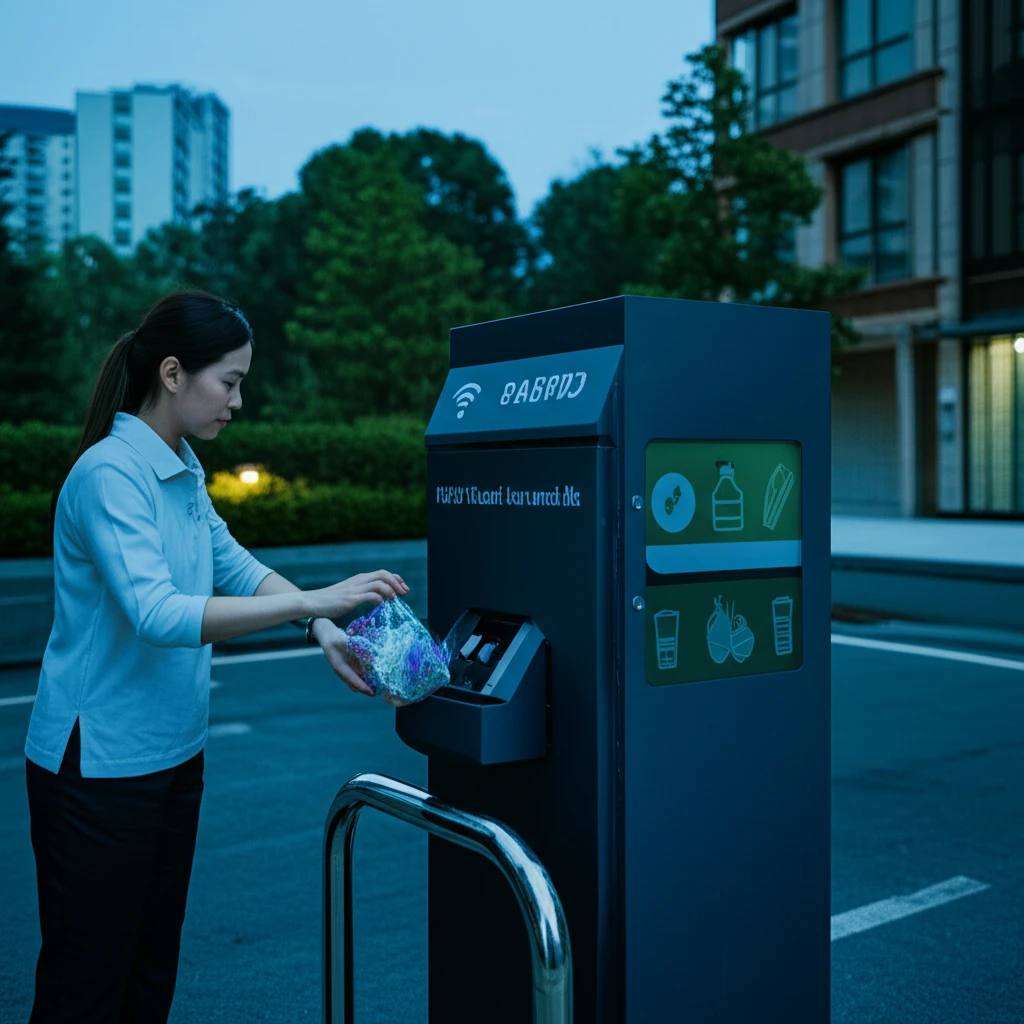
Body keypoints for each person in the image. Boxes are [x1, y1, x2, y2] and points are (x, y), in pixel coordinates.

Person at [23, 290, 408, 1024]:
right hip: (98, 769)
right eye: (229, 381)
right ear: (172, 374)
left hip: (172, 756)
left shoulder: (182, 465)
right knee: (87, 982)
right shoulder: (110, 474)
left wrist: (321, 631)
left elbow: (229, 562)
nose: (239, 399)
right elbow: (159, 613)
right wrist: (313, 601)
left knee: (148, 971)